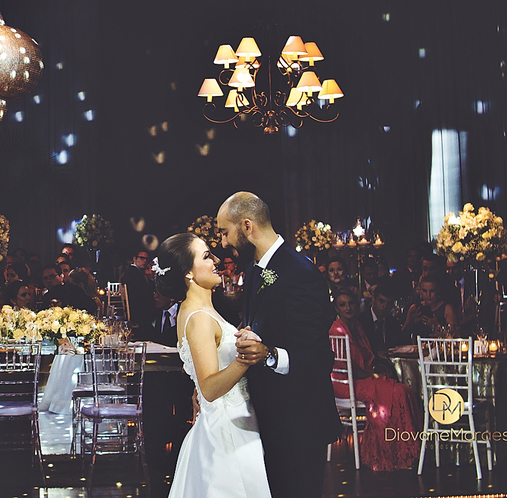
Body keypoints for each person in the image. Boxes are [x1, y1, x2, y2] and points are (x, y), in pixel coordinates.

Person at [220, 191, 340, 498]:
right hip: (269, 420)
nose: (223, 244)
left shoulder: (300, 273)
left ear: (246, 227)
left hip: (299, 423)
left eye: (225, 232)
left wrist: (270, 354)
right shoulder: (254, 269)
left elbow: (319, 358)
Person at [162, 232, 270, 498]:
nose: (216, 261)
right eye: (207, 256)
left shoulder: (201, 311)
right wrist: (246, 356)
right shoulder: (198, 318)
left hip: (234, 421)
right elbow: (209, 387)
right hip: (226, 432)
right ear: (188, 272)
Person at [329, 288, 420, 470]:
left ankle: (403, 451)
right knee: (397, 393)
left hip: (360, 379)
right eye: (342, 304)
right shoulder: (337, 329)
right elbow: (347, 368)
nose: (348, 307)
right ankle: (390, 453)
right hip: (346, 383)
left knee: (405, 391)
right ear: (337, 308)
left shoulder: (357, 326)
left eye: (351, 303)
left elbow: (365, 359)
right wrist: (373, 375)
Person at [363, 278, 406, 350]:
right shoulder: (361, 321)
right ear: (374, 299)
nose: (385, 306)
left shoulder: (394, 324)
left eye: (389, 303)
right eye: (381, 301)